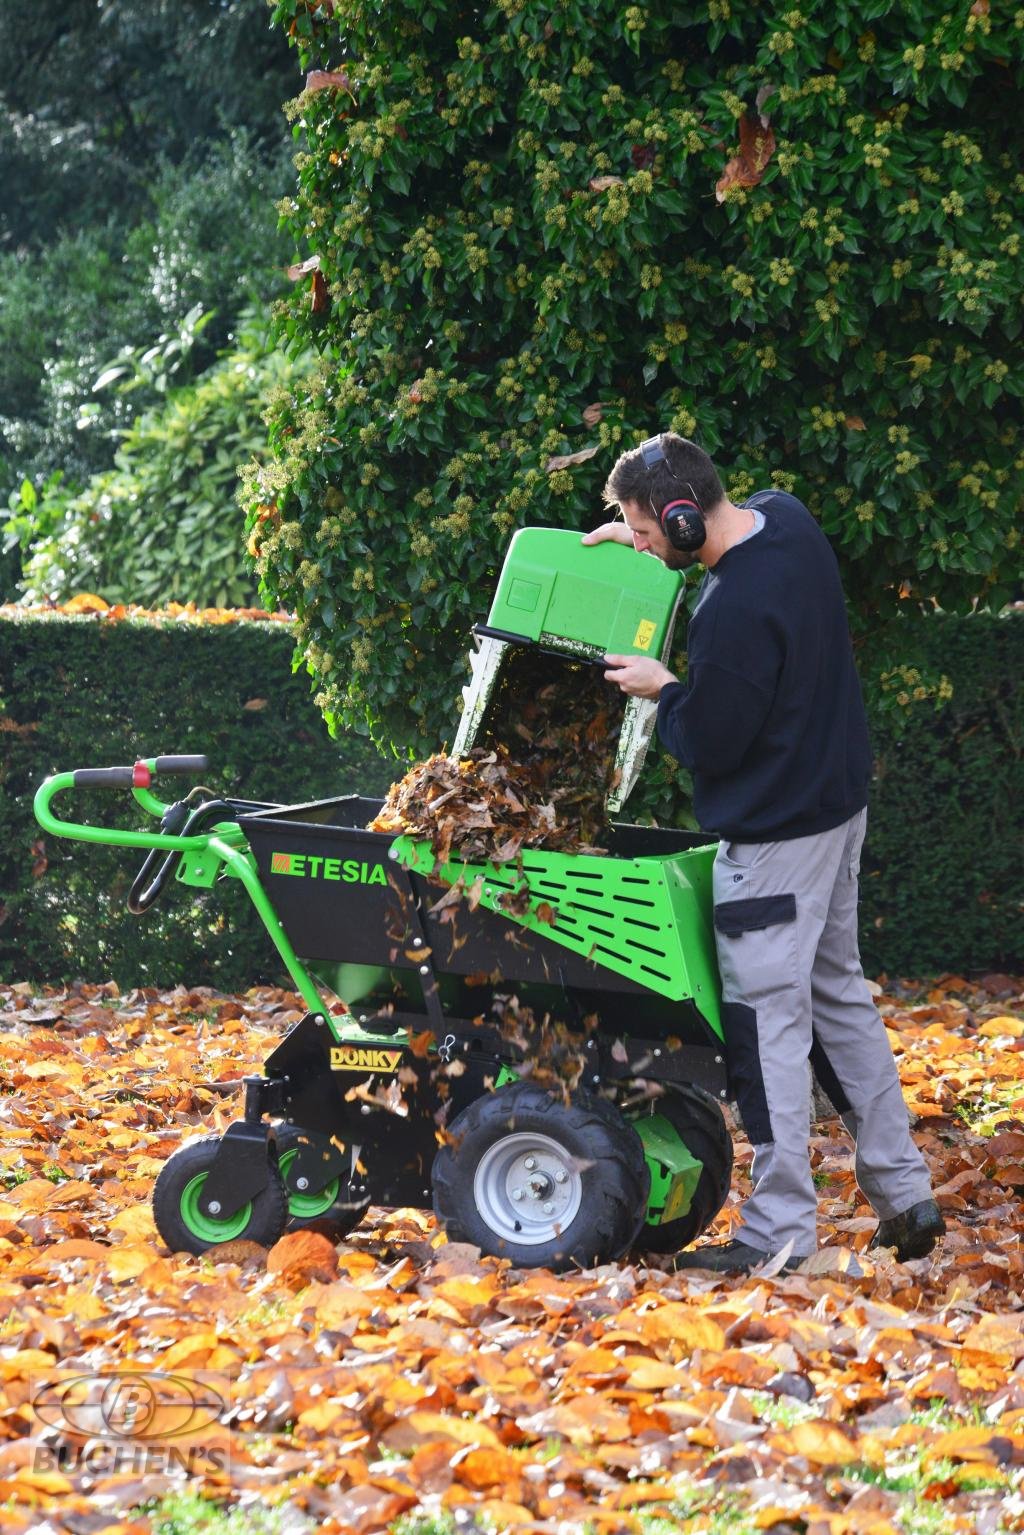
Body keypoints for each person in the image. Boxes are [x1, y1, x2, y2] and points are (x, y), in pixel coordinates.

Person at [583, 431, 944, 1274]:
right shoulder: (788, 521)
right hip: (834, 815)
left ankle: (779, 1229)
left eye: (646, 531)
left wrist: (664, 688)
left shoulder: (731, 615)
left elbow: (712, 739)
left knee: (764, 1027)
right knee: (839, 999)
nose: (645, 543)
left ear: (681, 519)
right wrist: (630, 538)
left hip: (776, 844)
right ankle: (906, 1194)